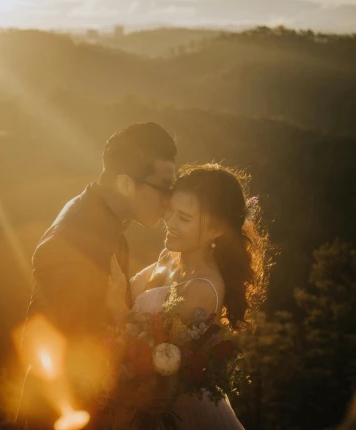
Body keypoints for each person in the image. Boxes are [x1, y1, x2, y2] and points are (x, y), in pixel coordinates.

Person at [15, 122, 177, 429]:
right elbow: (55, 353)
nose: (169, 199)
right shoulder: (75, 244)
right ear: (126, 184)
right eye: (164, 187)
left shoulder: (105, 219)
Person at [109, 163, 270, 429]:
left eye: (184, 218)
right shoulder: (170, 256)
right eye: (170, 210)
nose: (169, 223)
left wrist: (115, 305)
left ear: (217, 230)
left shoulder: (202, 289)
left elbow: (148, 366)